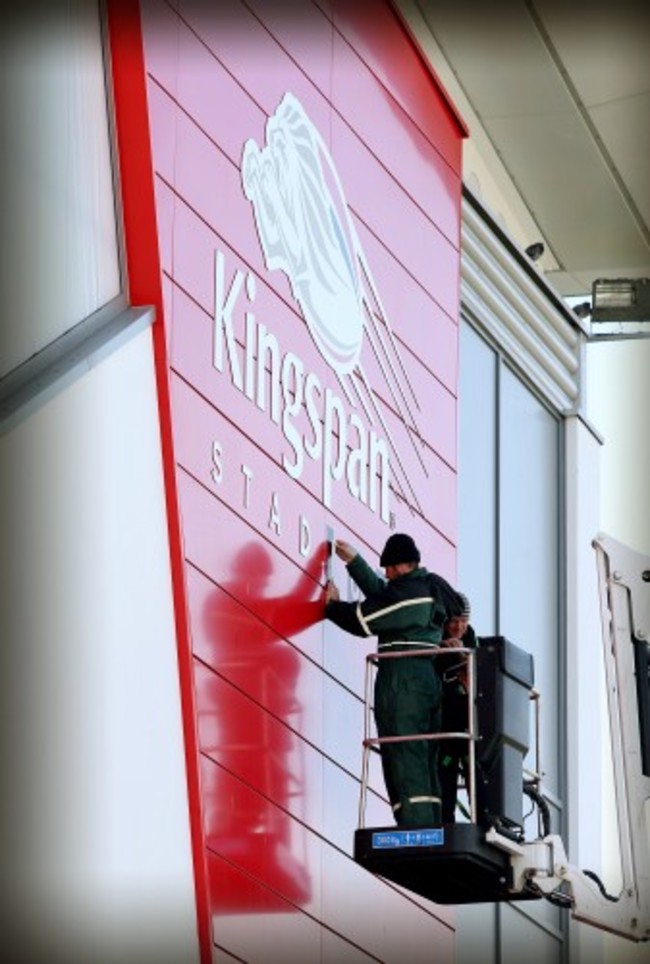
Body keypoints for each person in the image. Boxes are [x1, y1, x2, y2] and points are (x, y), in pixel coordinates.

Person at [324, 533, 465, 827]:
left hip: (403, 684)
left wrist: (333, 607)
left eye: (388, 567)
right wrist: (354, 561)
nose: (385, 574)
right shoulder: (423, 589)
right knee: (423, 762)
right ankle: (430, 827)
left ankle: (416, 831)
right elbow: (385, 597)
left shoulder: (412, 596)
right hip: (423, 681)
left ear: (402, 565)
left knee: (404, 759)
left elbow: (366, 619)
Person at [438, 594, 480, 823]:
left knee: (476, 770)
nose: (459, 627)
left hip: (469, 722)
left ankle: (484, 820)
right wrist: (442, 649)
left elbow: (483, 683)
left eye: (464, 621)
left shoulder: (474, 644)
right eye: (454, 621)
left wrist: (466, 659)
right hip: (446, 724)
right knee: (446, 772)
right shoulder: (432, 640)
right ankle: (446, 821)